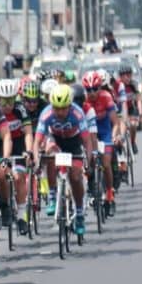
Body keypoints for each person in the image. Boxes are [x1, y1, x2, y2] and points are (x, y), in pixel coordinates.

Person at [33, 84, 91, 236]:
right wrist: (36, 162)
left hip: (73, 142)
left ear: (69, 105)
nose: (59, 112)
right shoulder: (46, 114)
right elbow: (37, 141)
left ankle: (79, 214)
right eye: (56, 108)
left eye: (63, 108)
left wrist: (88, 161)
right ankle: (52, 195)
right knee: (49, 154)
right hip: (56, 140)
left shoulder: (78, 113)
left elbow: (87, 140)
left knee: (76, 177)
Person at [0, 79, 34, 236]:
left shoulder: (20, 110)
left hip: (17, 145)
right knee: (0, 175)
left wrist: (29, 151)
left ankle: (22, 216)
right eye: (4, 100)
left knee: (18, 177)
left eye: (11, 100)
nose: (7, 105)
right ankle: (4, 204)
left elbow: (29, 132)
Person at [82, 71, 121, 217]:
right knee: (88, 162)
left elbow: (115, 122)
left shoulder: (106, 97)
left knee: (106, 163)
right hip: (89, 133)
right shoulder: (83, 100)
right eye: (88, 89)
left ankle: (110, 195)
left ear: (100, 87)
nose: (92, 93)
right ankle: (92, 190)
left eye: (95, 89)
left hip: (104, 132)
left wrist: (114, 135)